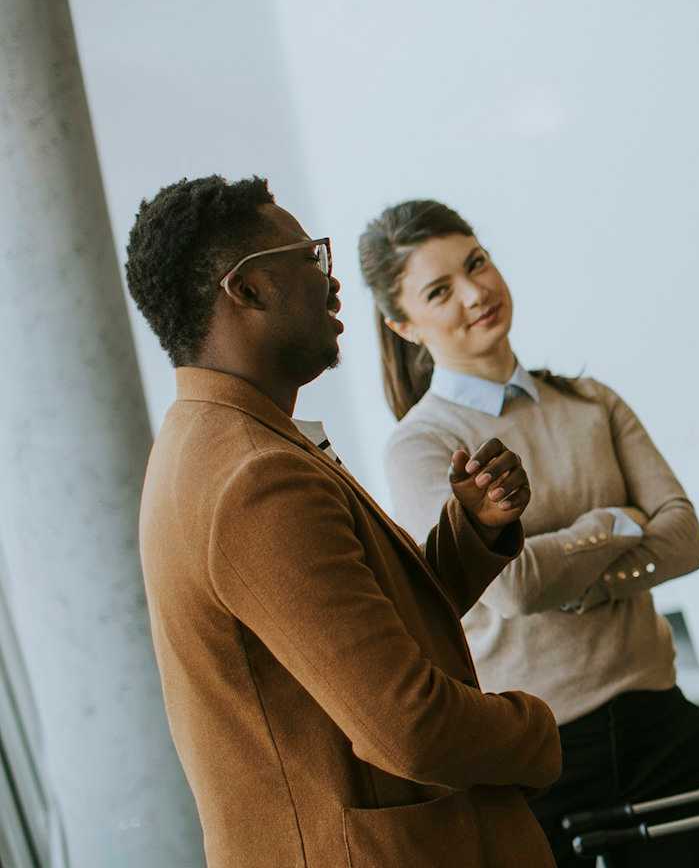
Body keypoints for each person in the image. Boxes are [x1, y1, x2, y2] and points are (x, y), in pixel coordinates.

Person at [125, 176, 557, 866]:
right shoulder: (251, 476)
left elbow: (363, 638)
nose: (332, 286)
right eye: (309, 257)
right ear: (247, 289)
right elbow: (410, 726)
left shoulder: (223, 441)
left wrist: (470, 534)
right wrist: (539, 727)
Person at [360, 200, 699, 866]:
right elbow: (514, 589)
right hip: (540, 759)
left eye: (477, 263)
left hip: (661, 726)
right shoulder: (420, 446)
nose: (475, 293)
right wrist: (615, 523)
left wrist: (576, 578)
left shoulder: (590, 400)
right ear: (404, 325)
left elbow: (686, 538)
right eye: (440, 291)